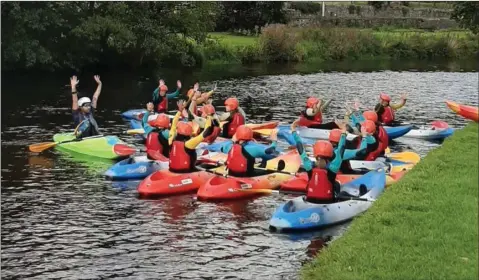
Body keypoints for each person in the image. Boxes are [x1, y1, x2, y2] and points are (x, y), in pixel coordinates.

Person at [291, 119, 347, 203]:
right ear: (330, 153)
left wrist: (293, 130)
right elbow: (341, 150)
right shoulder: (333, 167)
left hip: (310, 200)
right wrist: (343, 133)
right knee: (337, 184)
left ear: (315, 152)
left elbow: (300, 148)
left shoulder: (308, 165)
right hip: (328, 201)